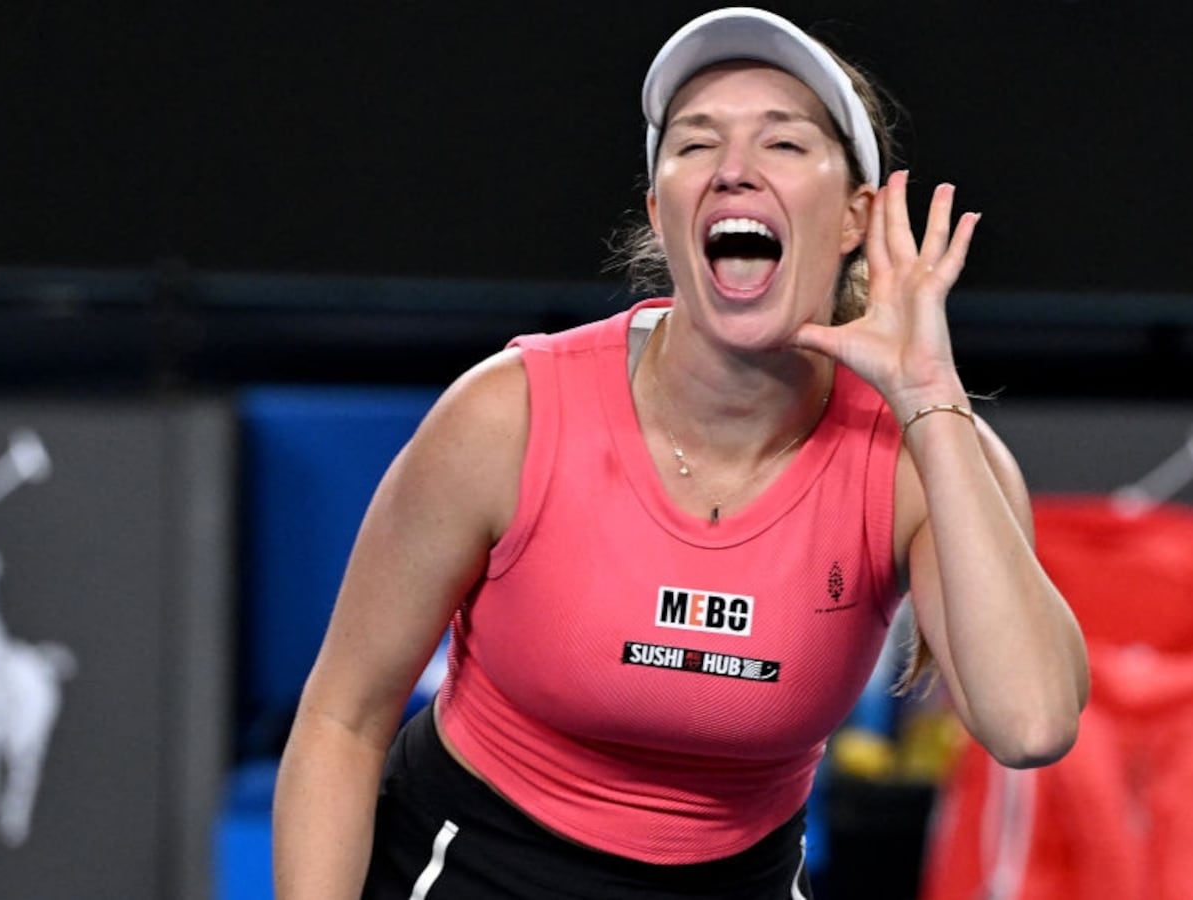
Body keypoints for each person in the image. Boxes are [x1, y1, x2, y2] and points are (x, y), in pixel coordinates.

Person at [272, 8, 1089, 899]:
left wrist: (930, 396)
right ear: (661, 215)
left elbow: (1032, 724)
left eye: (783, 143)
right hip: (471, 865)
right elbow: (341, 721)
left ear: (856, 217)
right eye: (697, 144)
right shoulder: (508, 413)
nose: (734, 169)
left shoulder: (920, 458)